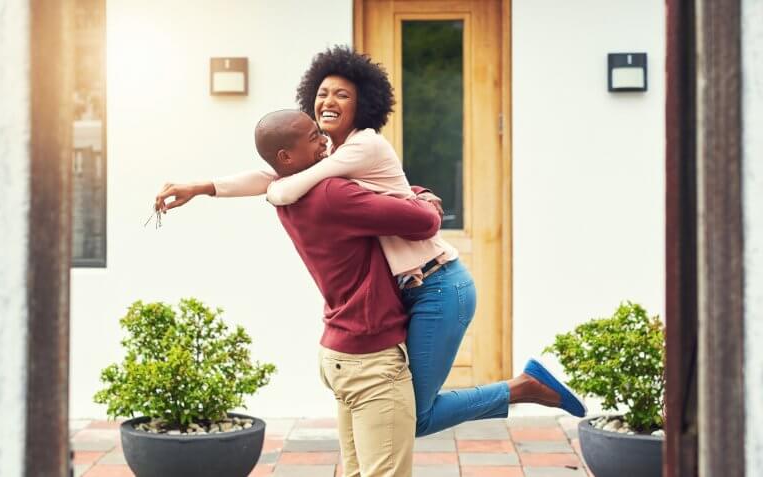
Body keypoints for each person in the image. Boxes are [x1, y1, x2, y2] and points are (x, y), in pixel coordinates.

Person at [155, 46, 586, 440]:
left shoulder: (361, 145)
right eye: (322, 93)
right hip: (413, 288)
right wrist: (204, 186)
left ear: (363, 103)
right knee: (407, 413)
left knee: (411, 415)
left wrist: (278, 191)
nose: (328, 102)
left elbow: (286, 184)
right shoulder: (326, 156)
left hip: (438, 285)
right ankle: (524, 387)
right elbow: (273, 175)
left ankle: (522, 388)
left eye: (342, 95)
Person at [252, 108, 441, 476]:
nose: (323, 139)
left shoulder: (285, 194)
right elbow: (424, 222)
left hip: (340, 352)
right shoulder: (332, 193)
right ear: (286, 157)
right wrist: (425, 197)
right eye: (312, 138)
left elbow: (374, 201)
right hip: (371, 359)